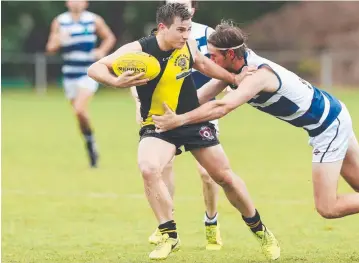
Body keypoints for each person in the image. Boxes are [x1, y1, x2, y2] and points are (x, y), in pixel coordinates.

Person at [152, 21, 359, 226]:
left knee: (327, 208)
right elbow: (203, 97)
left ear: (230, 55)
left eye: (213, 55)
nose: (208, 60)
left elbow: (223, 106)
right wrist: (159, 117)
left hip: (327, 126)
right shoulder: (234, 69)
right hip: (334, 111)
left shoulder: (257, 75)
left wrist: (179, 120)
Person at [88, 3, 280, 260]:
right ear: (162, 28)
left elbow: (202, 63)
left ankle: (261, 232)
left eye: (189, 29)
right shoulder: (139, 49)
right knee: (148, 167)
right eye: (180, 30)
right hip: (159, 124)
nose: (186, 35)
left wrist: (234, 79)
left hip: (192, 119)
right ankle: (169, 235)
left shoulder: (187, 44)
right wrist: (114, 81)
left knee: (224, 178)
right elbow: (96, 68)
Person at [130, 0, 224, 251]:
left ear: (194, 8)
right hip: (165, 112)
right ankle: (166, 227)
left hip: (200, 108)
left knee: (207, 173)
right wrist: (139, 104)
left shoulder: (207, 35)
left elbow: (218, 65)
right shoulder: (161, 33)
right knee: (160, 167)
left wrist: (211, 94)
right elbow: (138, 67)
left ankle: (211, 221)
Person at [46, 0, 116, 168]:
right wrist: (59, 40)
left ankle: (91, 146)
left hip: (89, 73)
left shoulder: (94, 20)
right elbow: (50, 47)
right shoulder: (60, 21)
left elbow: (109, 38)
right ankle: (91, 143)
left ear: (86, 3)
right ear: (67, 3)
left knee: (79, 108)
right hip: (69, 74)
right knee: (80, 115)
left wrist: (101, 51)